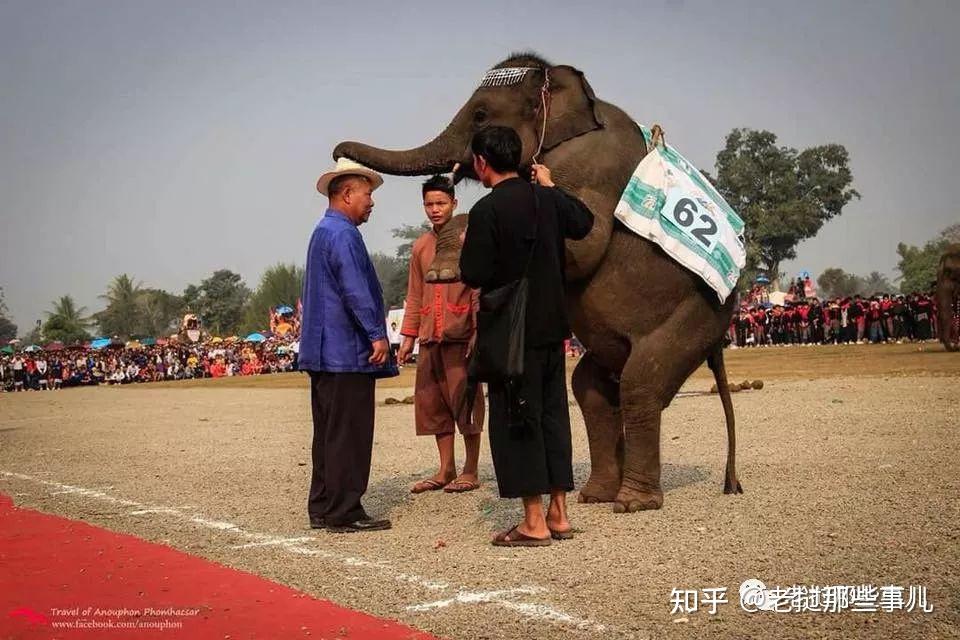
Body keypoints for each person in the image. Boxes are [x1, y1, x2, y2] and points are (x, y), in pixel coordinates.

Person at [459, 126, 594, 547]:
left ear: (482, 162)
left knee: (517, 418)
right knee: (553, 415)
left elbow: (474, 273)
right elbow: (584, 222)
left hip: (510, 333)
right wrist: (552, 187)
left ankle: (532, 521)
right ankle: (559, 513)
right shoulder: (549, 200)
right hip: (552, 326)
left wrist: (469, 243)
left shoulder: (485, 211)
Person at [299, 158, 398, 534]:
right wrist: (376, 333)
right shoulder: (344, 235)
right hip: (346, 352)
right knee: (350, 433)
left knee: (327, 432)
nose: (371, 202)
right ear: (347, 194)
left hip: (325, 352)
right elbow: (355, 288)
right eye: (367, 194)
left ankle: (323, 506)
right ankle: (345, 510)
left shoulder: (323, 231)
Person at [398, 175, 485, 495]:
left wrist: (478, 329)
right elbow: (415, 293)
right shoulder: (421, 246)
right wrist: (407, 337)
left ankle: (470, 469)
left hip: (460, 332)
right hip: (429, 334)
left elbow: (478, 286)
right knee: (433, 404)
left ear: (454, 204)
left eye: (441, 203)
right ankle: (445, 468)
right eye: (429, 204)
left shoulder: (468, 239)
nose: (434, 210)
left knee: (465, 400)